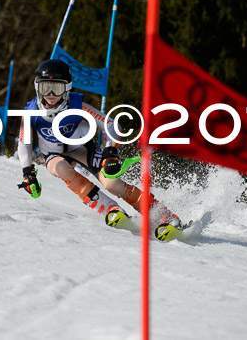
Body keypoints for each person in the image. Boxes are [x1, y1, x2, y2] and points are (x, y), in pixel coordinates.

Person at [16, 59, 185, 241]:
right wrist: (28, 172)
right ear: (36, 88)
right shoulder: (31, 112)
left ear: (67, 88)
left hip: (82, 149)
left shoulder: (76, 105)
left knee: (112, 183)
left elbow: (112, 125)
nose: (50, 95)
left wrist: (111, 152)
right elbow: (24, 143)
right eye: (45, 88)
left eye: (56, 89)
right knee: (61, 169)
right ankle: (109, 208)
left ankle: (164, 215)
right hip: (53, 154)